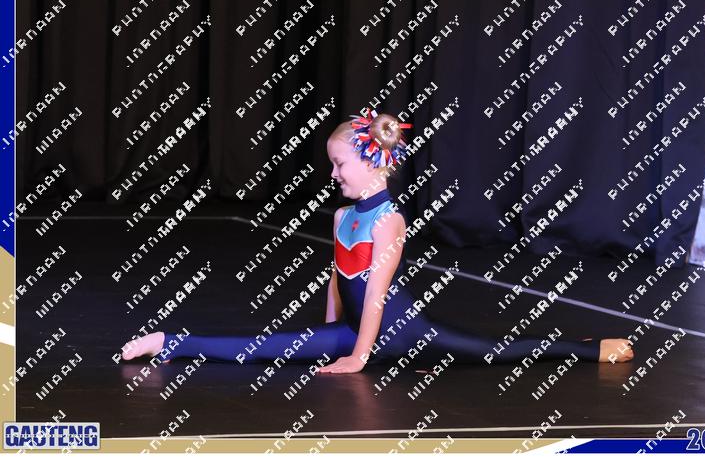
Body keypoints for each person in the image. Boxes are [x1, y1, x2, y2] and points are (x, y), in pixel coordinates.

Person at [120, 109, 634, 373]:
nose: (332, 174)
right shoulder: (345, 215)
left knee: (496, 353)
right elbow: (338, 279)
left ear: (370, 164)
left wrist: (359, 358)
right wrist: (327, 333)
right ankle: (169, 341)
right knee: (264, 349)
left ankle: (587, 349)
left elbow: (377, 296)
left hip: (404, 332)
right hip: (353, 330)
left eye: (339, 164)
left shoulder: (389, 220)